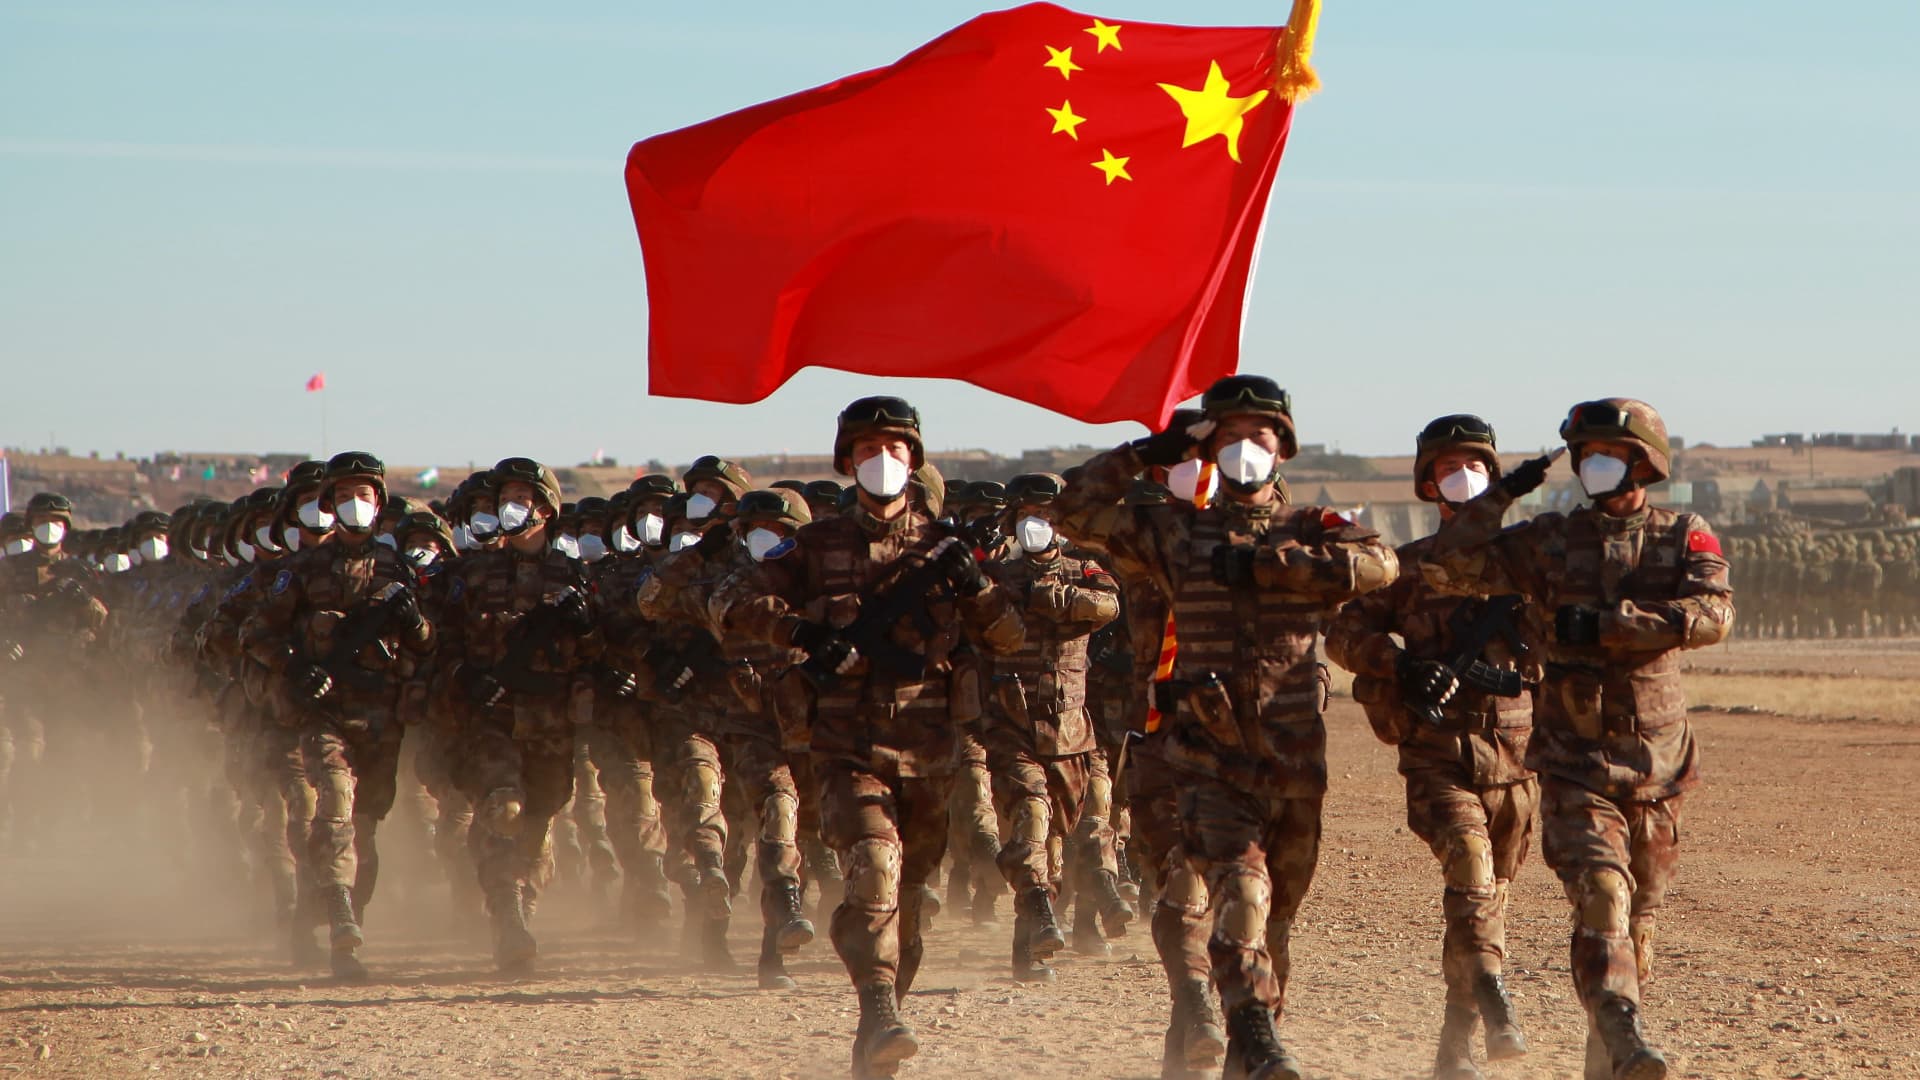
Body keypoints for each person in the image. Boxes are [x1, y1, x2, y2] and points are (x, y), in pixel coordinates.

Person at [1055, 375, 1399, 1080]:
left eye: (1259, 435)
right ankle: (1244, 1031)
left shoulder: (1312, 527)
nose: (1245, 448)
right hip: (1204, 758)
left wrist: (1273, 562)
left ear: (1284, 448)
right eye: (1230, 436)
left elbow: (1380, 564)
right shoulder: (1176, 533)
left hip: (1294, 764)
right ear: (1210, 447)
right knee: (1237, 895)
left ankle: (1242, 1047)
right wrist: (1146, 451)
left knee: (1273, 927)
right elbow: (1071, 509)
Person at [1417, 398, 1733, 1080]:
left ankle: (1609, 1051)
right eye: (1586, 455)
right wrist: (1505, 490)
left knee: (1634, 926)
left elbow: (1714, 613)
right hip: (1574, 762)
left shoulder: (1682, 534)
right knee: (1601, 894)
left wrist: (1613, 624)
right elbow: (1451, 561)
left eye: (1609, 454)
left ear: (1643, 462)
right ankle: (1621, 1025)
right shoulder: (1549, 541)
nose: (1594, 465)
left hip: (1658, 768)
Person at [713, 396, 1026, 1079]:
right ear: (846, 460)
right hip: (847, 747)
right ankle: (878, 1007)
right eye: (866, 449)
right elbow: (728, 599)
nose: (881, 460)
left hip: (931, 751)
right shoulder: (817, 545)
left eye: (894, 448)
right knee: (875, 870)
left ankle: (880, 1023)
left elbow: (1007, 635)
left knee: (907, 900)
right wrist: (800, 630)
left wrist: (977, 588)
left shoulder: (945, 547)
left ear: (914, 459)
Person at [1325, 415, 1539, 1080]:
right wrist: (1401, 666)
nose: (1462, 477)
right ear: (1427, 484)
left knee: (1484, 903)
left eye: (1474, 466)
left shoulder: (1528, 562)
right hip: (1437, 754)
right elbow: (1343, 633)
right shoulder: (1408, 567)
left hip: (1517, 761)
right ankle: (1495, 1000)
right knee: (1470, 871)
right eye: (1448, 468)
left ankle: (1455, 1041)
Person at [240, 452, 434, 978]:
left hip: (380, 716)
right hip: (323, 713)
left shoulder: (398, 569)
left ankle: (338, 916)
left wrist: (415, 624)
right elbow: (256, 632)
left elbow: (427, 646)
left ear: (379, 503)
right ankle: (341, 926)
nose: (354, 504)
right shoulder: (302, 570)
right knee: (333, 807)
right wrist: (296, 667)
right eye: (344, 495)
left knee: (363, 830)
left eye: (363, 495)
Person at [435, 457, 604, 973]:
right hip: (492, 719)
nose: (510, 508)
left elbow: (599, 656)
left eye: (522, 499)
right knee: (502, 806)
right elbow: (442, 642)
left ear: (545, 510)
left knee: (538, 821)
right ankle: (507, 916)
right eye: (504, 499)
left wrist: (585, 628)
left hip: (550, 721)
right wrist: (464, 678)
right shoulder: (473, 574)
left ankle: (520, 908)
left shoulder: (575, 577)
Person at [977, 472, 1130, 982]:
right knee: (1030, 816)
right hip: (1011, 725)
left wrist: (1049, 594)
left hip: (1069, 731)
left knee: (1058, 842)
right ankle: (1038, 914)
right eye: (1026, 515)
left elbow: (1107, 607)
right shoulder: (995, 577)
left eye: (1045, 515)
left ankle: (1031, 941)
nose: (1035, 524)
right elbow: (976, 624)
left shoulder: (1086, 571)